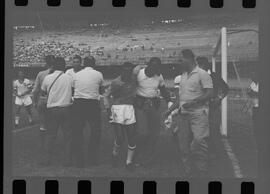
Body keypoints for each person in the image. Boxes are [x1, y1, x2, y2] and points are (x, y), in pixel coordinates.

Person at [165, 49, 213, 177]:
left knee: (199, 139)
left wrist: (194, 102)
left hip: (198, 113)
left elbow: (210, 93)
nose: (179, 62)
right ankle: (188, 168)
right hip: (183, 114)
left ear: (189, 59)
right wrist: (169, 110)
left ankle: (201, 167)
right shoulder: (183, 76)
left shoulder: (202, 74)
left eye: (181, 60)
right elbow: (180, 98)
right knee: (183, 142)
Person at [133, 57, 173, 166]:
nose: (155, 70)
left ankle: (148, 156)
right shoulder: (139, 74)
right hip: (140, 104)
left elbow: (163, 89)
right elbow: (130, 87)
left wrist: (169, 101)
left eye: (157, 68)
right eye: (153, 67)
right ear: (148, 65)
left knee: (154, 132)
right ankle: (137, 155)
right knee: (142, 132)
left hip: (153, 104)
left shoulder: (159, 76)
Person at [71, 56, 105, 168]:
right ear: (93, 64)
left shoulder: (77, 74)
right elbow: (101, 90)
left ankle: (79, 160)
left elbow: (73, 89)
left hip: (78, 104)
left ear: (83, 64)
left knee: (77, 132)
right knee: (95, 131)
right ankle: (92, 159)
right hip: (92, 104)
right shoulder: (99, 74)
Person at [104, 62, 137, 171]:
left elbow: (139, 68)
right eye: (125, 70)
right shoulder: (116, 83)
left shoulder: (133, 78)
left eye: (129, 71)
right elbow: (106, 95)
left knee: (132, 137)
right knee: (120, 137)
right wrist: (108, 109)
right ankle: (114, 154)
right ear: (122, 71)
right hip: (118, 108)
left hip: (130, 109)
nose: (127, 73)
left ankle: (128, 162)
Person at [41, 57, 73, 166]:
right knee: (68, 136)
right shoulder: (69, 78)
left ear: (53, 66)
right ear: (64, 66)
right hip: (66, 108)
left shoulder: (47, 78)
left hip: (52, 109)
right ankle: (68, 160)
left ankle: (46, 160)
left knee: (50, 135)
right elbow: (73, 90)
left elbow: (43, 92)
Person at [196, 56, 229, 159]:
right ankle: (201, 153)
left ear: (204, 65)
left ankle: (212, 152)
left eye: (198, 66)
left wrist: (219, 98)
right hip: (200, 107)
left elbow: (225, 89)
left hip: (213, 108)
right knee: (200, 131)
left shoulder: (215, 76)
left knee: (213, 130)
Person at [32, 55, 55, 150]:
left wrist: (34, 102)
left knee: (42, 124)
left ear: (46, 63)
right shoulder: (59, 73)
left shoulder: (41, 74)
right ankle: (50, 145)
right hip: (54, 101)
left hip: (42, 100)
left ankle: (42, 145)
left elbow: (35, 90)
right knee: (53, 124)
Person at [247, 72, 259, 148]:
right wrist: (253, 93)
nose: (252, 78)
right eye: (252, 76)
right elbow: (249, 93)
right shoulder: (252, 84)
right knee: (255, 124)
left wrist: (253, 93)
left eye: (254, 76)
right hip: (255, 107)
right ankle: (257, 137)